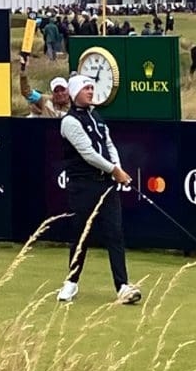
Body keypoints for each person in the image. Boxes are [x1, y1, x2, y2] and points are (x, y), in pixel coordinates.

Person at [57, 75, 141, 305]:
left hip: (106, 184)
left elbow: (108, 145)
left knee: (115, 233)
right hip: (82, 186)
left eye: (92, 88)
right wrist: (115, 170)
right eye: (86, 88)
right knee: (81, 236)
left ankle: (122, 286)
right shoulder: (69, 121)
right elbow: (88, 154)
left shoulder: (97, 116)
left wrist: (118, 169)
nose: (90, 92)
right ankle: (71, 283)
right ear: (75, 93)